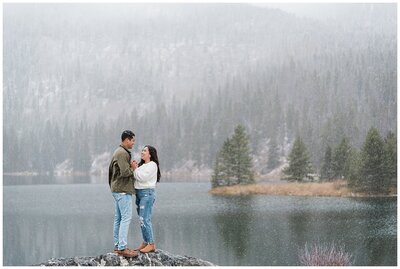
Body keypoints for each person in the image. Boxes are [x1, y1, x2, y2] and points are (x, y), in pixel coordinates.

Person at [108, 130, 138, 257]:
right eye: (132, 140)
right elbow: (125, 172)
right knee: (126, 218)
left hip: (118, 189)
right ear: (126, 140)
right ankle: (122, 247)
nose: (133, 143)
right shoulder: (121, 153)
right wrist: (133, 168)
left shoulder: (120, 152)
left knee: (119, 219)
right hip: (122, 190)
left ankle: (118, 245)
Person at [131, 145, 161, 253]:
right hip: (139, 194)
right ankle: (145, 241)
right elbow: (137, 177)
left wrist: (135, 169)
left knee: (145, 219)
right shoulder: (143, 165)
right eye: (142, 150)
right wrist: (134, 168)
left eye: (145, 150)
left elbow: (142, 177)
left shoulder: (152, 165)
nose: (142, 152)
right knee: (141, 219)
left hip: (147, 194)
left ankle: (151, 244)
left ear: (150, 154)